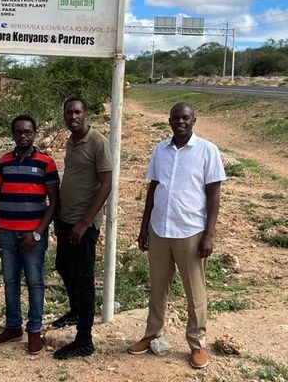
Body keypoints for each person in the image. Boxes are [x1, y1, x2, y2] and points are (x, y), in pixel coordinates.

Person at [128, 102, 226, 369]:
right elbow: (153, 189)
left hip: (191, 231)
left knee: (195, 291)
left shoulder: (207, 151)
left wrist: (209, 234)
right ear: (169, 121)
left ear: (194, 120)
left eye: (185, 118)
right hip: (160, 229)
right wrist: (144, 227)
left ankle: (197, 344)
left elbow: (214, 196)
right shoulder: (160, 150)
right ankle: (152, 334)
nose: (180, 122)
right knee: (157, 288)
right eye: (175, 118)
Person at [0, 115, 59, 355]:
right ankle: (13, 327)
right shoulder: (4, 162)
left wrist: (37, 234)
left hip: (32, 235)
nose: (23, 136)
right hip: (6, 231)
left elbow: (54, 202)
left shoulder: (46, 163)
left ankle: (34, 331)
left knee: (35, 283)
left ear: (35, 133)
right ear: (13, 134)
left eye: (27, 131)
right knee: (10, 282)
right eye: (18, 132)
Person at [52, 97, 112, 360]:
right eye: (68, 112)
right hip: (66, 220)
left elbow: (106, 184)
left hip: (83, 224)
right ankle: (76, 310)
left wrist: (85, 222)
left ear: (85, 114)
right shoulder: (71, 141)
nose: (72, 116)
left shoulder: (97, 141)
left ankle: (84, 339)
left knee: (84, 279)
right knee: (63, 267)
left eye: (77, 112)